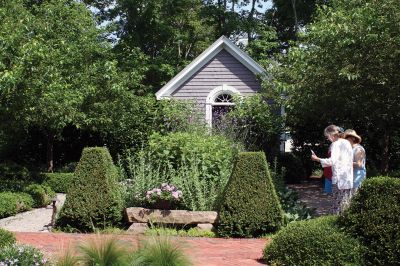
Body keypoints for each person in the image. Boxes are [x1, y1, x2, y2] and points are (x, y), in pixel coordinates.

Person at [311, 125, 353, 214]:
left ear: (331, 134)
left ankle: (336, 225)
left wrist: (317, 159)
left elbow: (332, 161)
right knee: (346, 205)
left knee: (337, 207)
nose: (328, 139)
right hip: (348, 178)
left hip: (339, 180)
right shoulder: (347, 143)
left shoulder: (336, 144)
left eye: (327, 137)